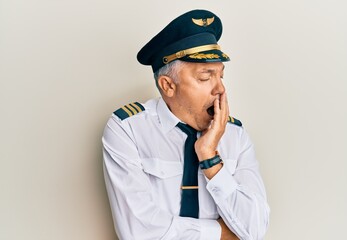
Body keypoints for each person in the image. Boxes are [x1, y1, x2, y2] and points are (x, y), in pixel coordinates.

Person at [102, 9, 270, 240]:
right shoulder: (128, 129)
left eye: (221, 76)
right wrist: (226, 233)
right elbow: (139, 233)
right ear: (168, 86)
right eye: (205, 77)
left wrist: (210, 158)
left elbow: (256, 229)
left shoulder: (236, 135)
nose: (220, 89)